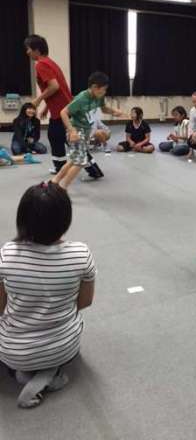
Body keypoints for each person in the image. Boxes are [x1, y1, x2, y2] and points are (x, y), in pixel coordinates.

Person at [0, 182, 96, 408]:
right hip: (65, 346)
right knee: (63, 332)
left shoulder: (7, 255)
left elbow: (0, 307)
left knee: (14, 346)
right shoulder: (81, 254)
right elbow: (85, 302)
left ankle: (25, 373)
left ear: (22, 219)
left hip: (14, 352)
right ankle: (48, 372)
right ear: (65, 219)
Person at [52, 72, 124, 190]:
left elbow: (104, 108)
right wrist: (71, 131)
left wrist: (114, 112)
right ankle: (62, 188)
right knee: (80, 162)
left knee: (74, 160)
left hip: (86, 132)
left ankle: (54, 181)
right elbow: (63, 112)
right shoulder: (81, 98)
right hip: (76, 131)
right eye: (103, 89)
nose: (104, 92)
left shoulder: (98, 96)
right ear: (94, 87)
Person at [25, 35, 72, 174]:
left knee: (60, 137)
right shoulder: (50, 62)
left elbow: (54, 86)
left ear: (36, 50)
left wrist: (38, 100)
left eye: (28, 49)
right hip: (64, 107)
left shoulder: (41, 64)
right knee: (61, 137)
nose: (27, 52)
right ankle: (64, 167)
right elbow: (55, 88)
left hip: (62, 110)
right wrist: (47, 107)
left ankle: (63, 168)